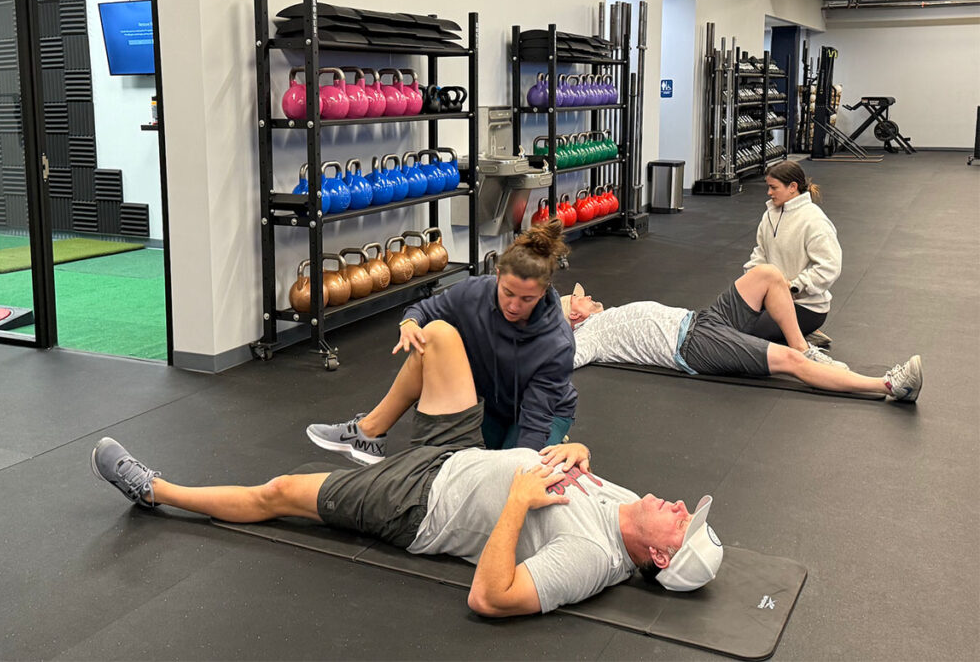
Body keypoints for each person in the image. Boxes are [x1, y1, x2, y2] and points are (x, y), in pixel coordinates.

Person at [91, 320, 723, 617]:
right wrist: (579, 454)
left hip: (419, 502)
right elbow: (574, 467)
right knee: (440, 336)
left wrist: (521, 499)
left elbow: (490, 597)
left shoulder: (591, 560)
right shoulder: (631, 506)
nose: (676, 507)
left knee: (280, 491)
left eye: (681, 524)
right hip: (462, 450)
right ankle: (367, 433)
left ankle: (156, 490)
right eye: (686, 510)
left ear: (661, 559)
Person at [306, 220, 577, 464]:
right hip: (492, 404)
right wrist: (409, 323)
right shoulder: (475, 292)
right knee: (433, 332)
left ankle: (560, 444)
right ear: (496, 276)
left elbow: (536, 421)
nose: (514, 305)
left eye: (526, 299)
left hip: (543, 416)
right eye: (508, 293)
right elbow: (425, 310)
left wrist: (520, 466)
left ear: (544, 292)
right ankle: (369, 432)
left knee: (509, 475)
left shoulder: (557, 343)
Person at [563, 264, 922, 402]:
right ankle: (888, 385)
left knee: (767, 274)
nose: (588, 296)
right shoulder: (589, 336)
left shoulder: (606, 314)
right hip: (693, 346)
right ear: (574, 318)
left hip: (702, 320)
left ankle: (806, 347)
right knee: (788, 361)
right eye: (578, 300)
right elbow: (559, 361)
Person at [744, 161, 840, 347]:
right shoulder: (769, 215)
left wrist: (794, 286)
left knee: (750, 335)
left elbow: (829, 267)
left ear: (793, 187)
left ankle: (801, 334)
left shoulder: (814, 220)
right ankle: (797, 335)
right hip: (771, 299)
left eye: (773, 187)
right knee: (732, 324)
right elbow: (760, 253)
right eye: (768, 187)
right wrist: (751, 282)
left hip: (805, 306)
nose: (769, 193)